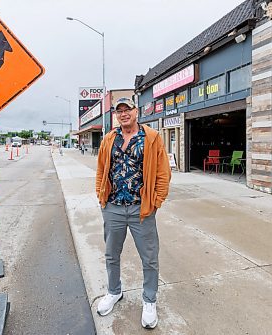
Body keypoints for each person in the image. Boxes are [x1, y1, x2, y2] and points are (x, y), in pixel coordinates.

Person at [95, 97, 171, 329]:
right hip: (113, 207)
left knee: (149, 257)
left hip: (141, 209)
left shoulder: (151, 138)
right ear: (116, 116)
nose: (124, 114)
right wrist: (101, 196)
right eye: (119, 111)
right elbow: (100, 169)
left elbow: (163, 172)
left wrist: (156, 201)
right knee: (111, 255)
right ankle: (114, 292)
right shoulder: (109, 139)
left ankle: (149, 300)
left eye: (127, 109)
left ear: (136, 112)